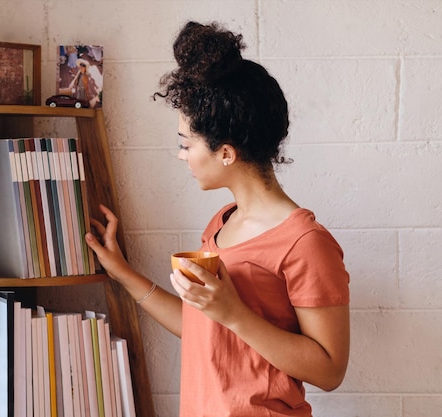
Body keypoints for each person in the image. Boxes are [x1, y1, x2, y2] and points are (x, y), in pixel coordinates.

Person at [85, 21, 350, 417]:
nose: (181, 155)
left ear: (226, 153)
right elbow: (204, 328)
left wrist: (234, 313)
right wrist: (121, 271)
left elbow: (330, 371)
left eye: (185, 144)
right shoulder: (222, 223)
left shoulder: (307, 243)